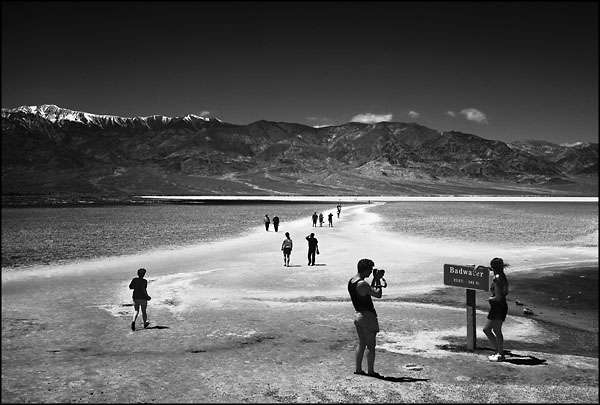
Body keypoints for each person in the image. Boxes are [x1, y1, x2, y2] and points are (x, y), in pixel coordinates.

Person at [348, 258, 382, 377]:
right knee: (371, 346)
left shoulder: (352, 281)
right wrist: (377, 280)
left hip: (358, 315)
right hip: (367, 316)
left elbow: (368, 291)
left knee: (361, 343)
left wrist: (374, 280)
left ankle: (358, 369)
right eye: (370, 270)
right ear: (365, 269)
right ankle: (371, 371)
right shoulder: (362, 283)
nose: (370, 272)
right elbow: (378, 294)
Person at [483, 257, 510, 362]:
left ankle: (500, 354)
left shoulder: (497, 278)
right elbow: (506, 292)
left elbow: (498, 297)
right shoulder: (502, 276)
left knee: (494, 330)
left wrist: (490, 298)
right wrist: (481, 268)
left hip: (498, 306)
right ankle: (498, 352)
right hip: (500, 306)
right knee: (489, 330)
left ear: (493, 267)